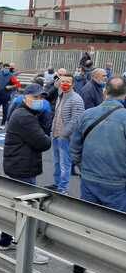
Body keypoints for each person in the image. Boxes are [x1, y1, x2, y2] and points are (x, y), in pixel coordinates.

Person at [0, 83, 51, 262]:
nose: (40, 101)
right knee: (26, 209)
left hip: (18, 164)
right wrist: (45, 126)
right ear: (25, 97)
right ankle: (27, 252)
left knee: (16, 206)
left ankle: (5, 241)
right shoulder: (25, 117)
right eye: (36, 98)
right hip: (22, 167)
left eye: (42, 98)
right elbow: (44, 143)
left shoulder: (24, 113)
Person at [71, 77, 126, 212]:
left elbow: (74, 149)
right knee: (113, 225)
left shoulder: (86, 115)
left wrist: (83, 168)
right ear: (125, 95)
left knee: (88, 221)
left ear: (104, 91)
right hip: (117, 183)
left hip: (89, 179)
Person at [49, 74, 84, 194]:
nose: (65, 84)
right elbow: (55, 85)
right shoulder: (61, 95)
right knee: (57, 162)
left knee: (65, 164)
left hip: (66, 137)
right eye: (63, 81)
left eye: (68, 82)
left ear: (73, 84)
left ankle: (63, 189)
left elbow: (76, 121)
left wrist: (64, 134)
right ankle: (57, 183)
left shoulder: (76, 99)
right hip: (55, 134)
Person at [0, 63, 21, 129]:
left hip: (6, 95)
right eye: (5, 68)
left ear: (9, 69)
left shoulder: (11, 76)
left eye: (8, 68)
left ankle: (3, 124)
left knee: (5, 110)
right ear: (3, 68)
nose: (6, 69)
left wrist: (11, 86)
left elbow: (18, 85)